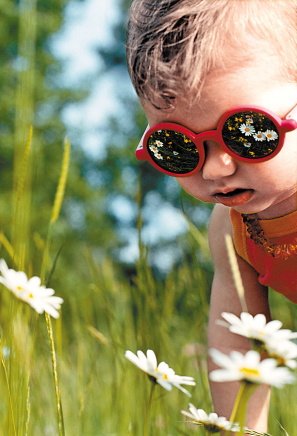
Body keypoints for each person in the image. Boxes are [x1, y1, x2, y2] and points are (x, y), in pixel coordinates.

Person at [126, 0, 297, 432]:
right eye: (177, 146)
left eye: (248, 132)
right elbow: (237, 342)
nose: (215, 168)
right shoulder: (231, 229)